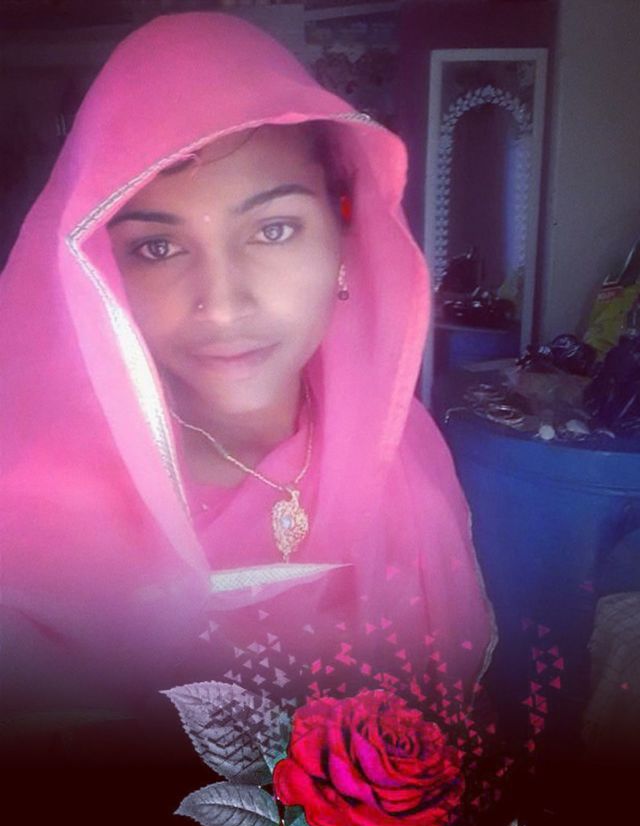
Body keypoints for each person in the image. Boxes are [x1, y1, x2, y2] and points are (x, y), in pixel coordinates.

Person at [1, 10, 494, 724]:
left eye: (274, 229)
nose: (223, 305)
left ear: (344, 239)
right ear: (100, 274)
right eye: (157, 248)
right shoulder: (39, 519)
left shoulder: (397, 452)